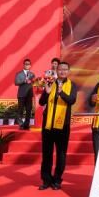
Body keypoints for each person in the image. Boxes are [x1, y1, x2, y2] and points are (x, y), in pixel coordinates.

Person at [38, 61, 76, 190]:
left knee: (61, 154)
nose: (62, 71)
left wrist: (61, 93)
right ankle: (46, 180)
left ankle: (57, 180)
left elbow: (72, 100)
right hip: (48, 125)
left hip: (63, 125)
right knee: (46, 153)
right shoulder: (50, 82)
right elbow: (41, 102)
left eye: (65, 69)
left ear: (68, 71)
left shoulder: (72, 85)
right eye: (60, 69)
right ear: (56, 70)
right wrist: (47, 92)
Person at [13, 58, 35, 129]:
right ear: (23, 65)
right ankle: (21, 124)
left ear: (30, 65)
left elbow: (34, 83)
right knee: (20, 110)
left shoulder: (32, 74)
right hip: (21, 94)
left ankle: (26, 124)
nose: (27, 65)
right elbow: (16, 82)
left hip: (29, 94)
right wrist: (24, 81)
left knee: (29, 110)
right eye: (26, 64)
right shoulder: (19, 74)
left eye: (28, 64)